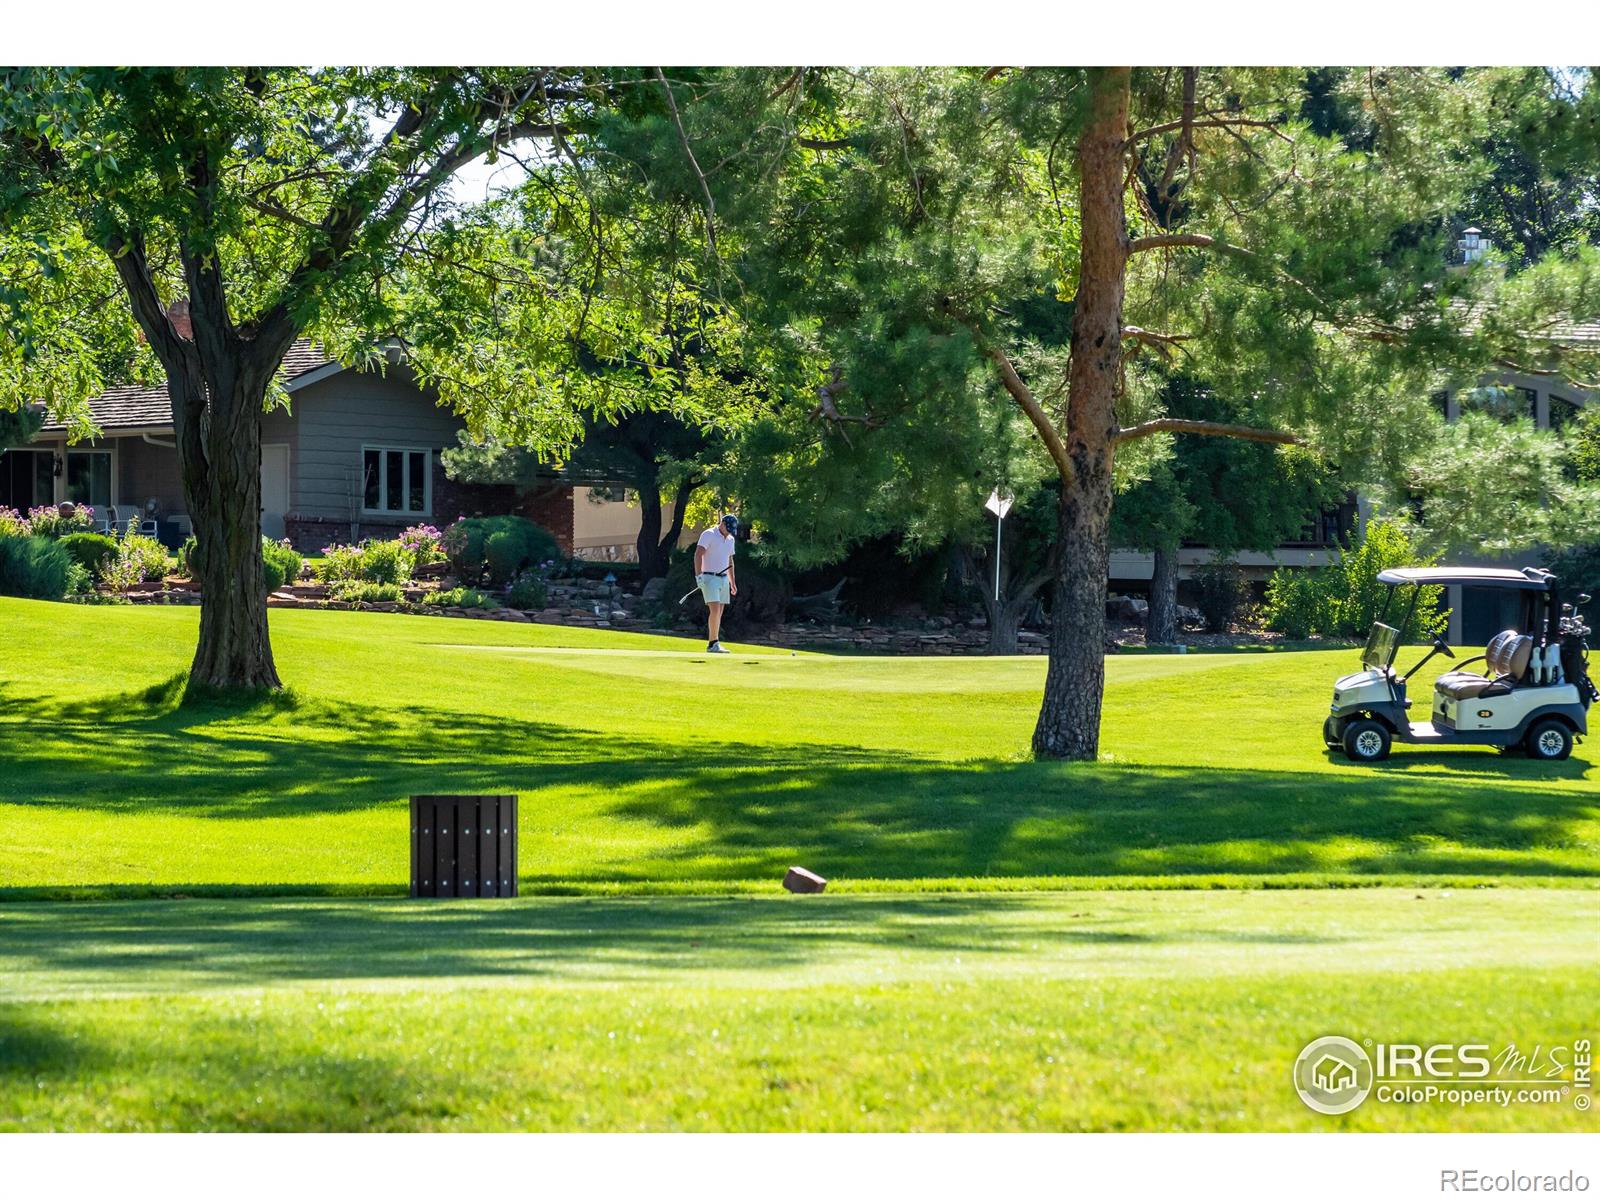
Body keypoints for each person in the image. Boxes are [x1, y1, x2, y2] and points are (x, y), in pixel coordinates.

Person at [695, 514, 739, 653]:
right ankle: (714, 643)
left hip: (724, 578)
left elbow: (730, 562)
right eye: (728, 528)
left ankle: (713, 642)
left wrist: (733, 582)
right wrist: (698, 576)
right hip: (709, 577)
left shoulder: (730, 539)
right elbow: (698, 554)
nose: (729, 532)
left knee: (719, 612)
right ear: (722, 523)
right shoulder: (709, 534)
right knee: (714, 610)